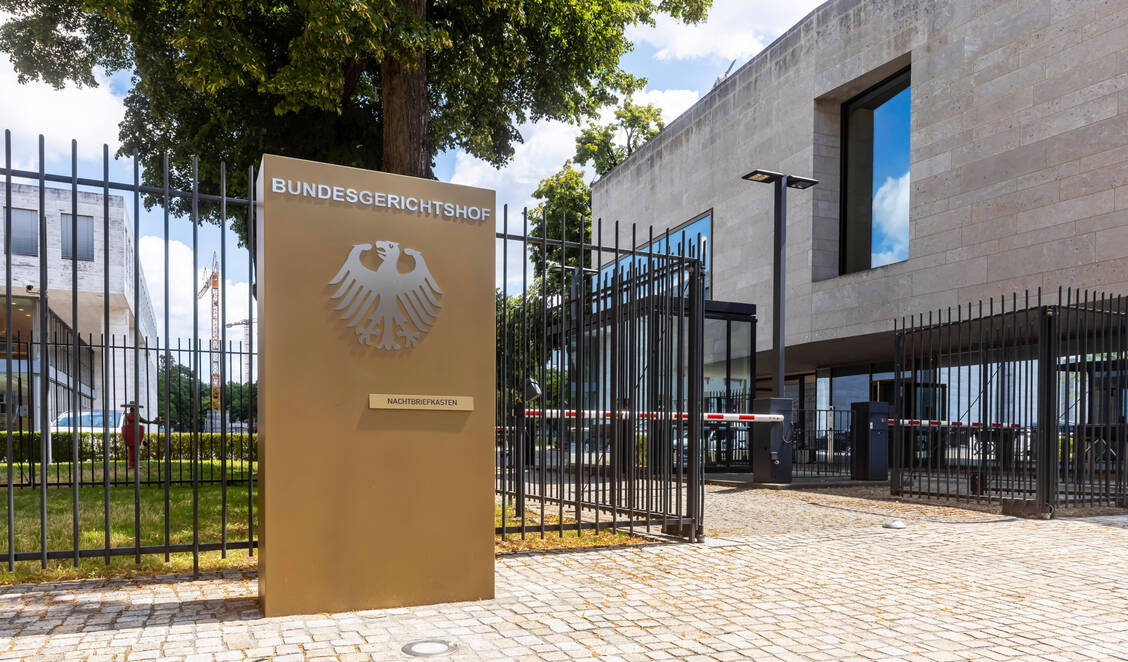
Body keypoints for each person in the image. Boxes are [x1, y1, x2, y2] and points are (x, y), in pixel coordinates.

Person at [121, 403, 161, 471]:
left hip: (131, 433)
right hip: (135, 433)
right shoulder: (134, 415)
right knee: (134, 449)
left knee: (132, 449)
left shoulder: (128, 415)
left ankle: (133, 464)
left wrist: (152, 422)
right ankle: (133, 464)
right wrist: (152, 422)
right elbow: (145, 421)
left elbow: (124, 426)